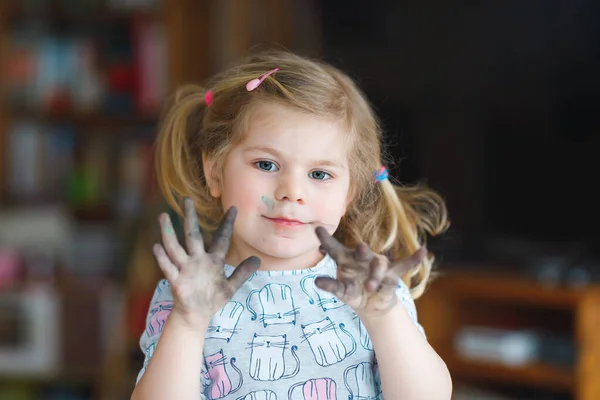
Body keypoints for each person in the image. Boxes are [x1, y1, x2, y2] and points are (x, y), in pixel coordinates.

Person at [131, 50, 452, 400]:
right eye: (266, 165)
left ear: (349, 193)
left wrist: (383, 317)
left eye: (319, 174)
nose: (292, 193)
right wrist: (189, 322)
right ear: (215, 171)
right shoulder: (185, 297)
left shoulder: (374, 293)